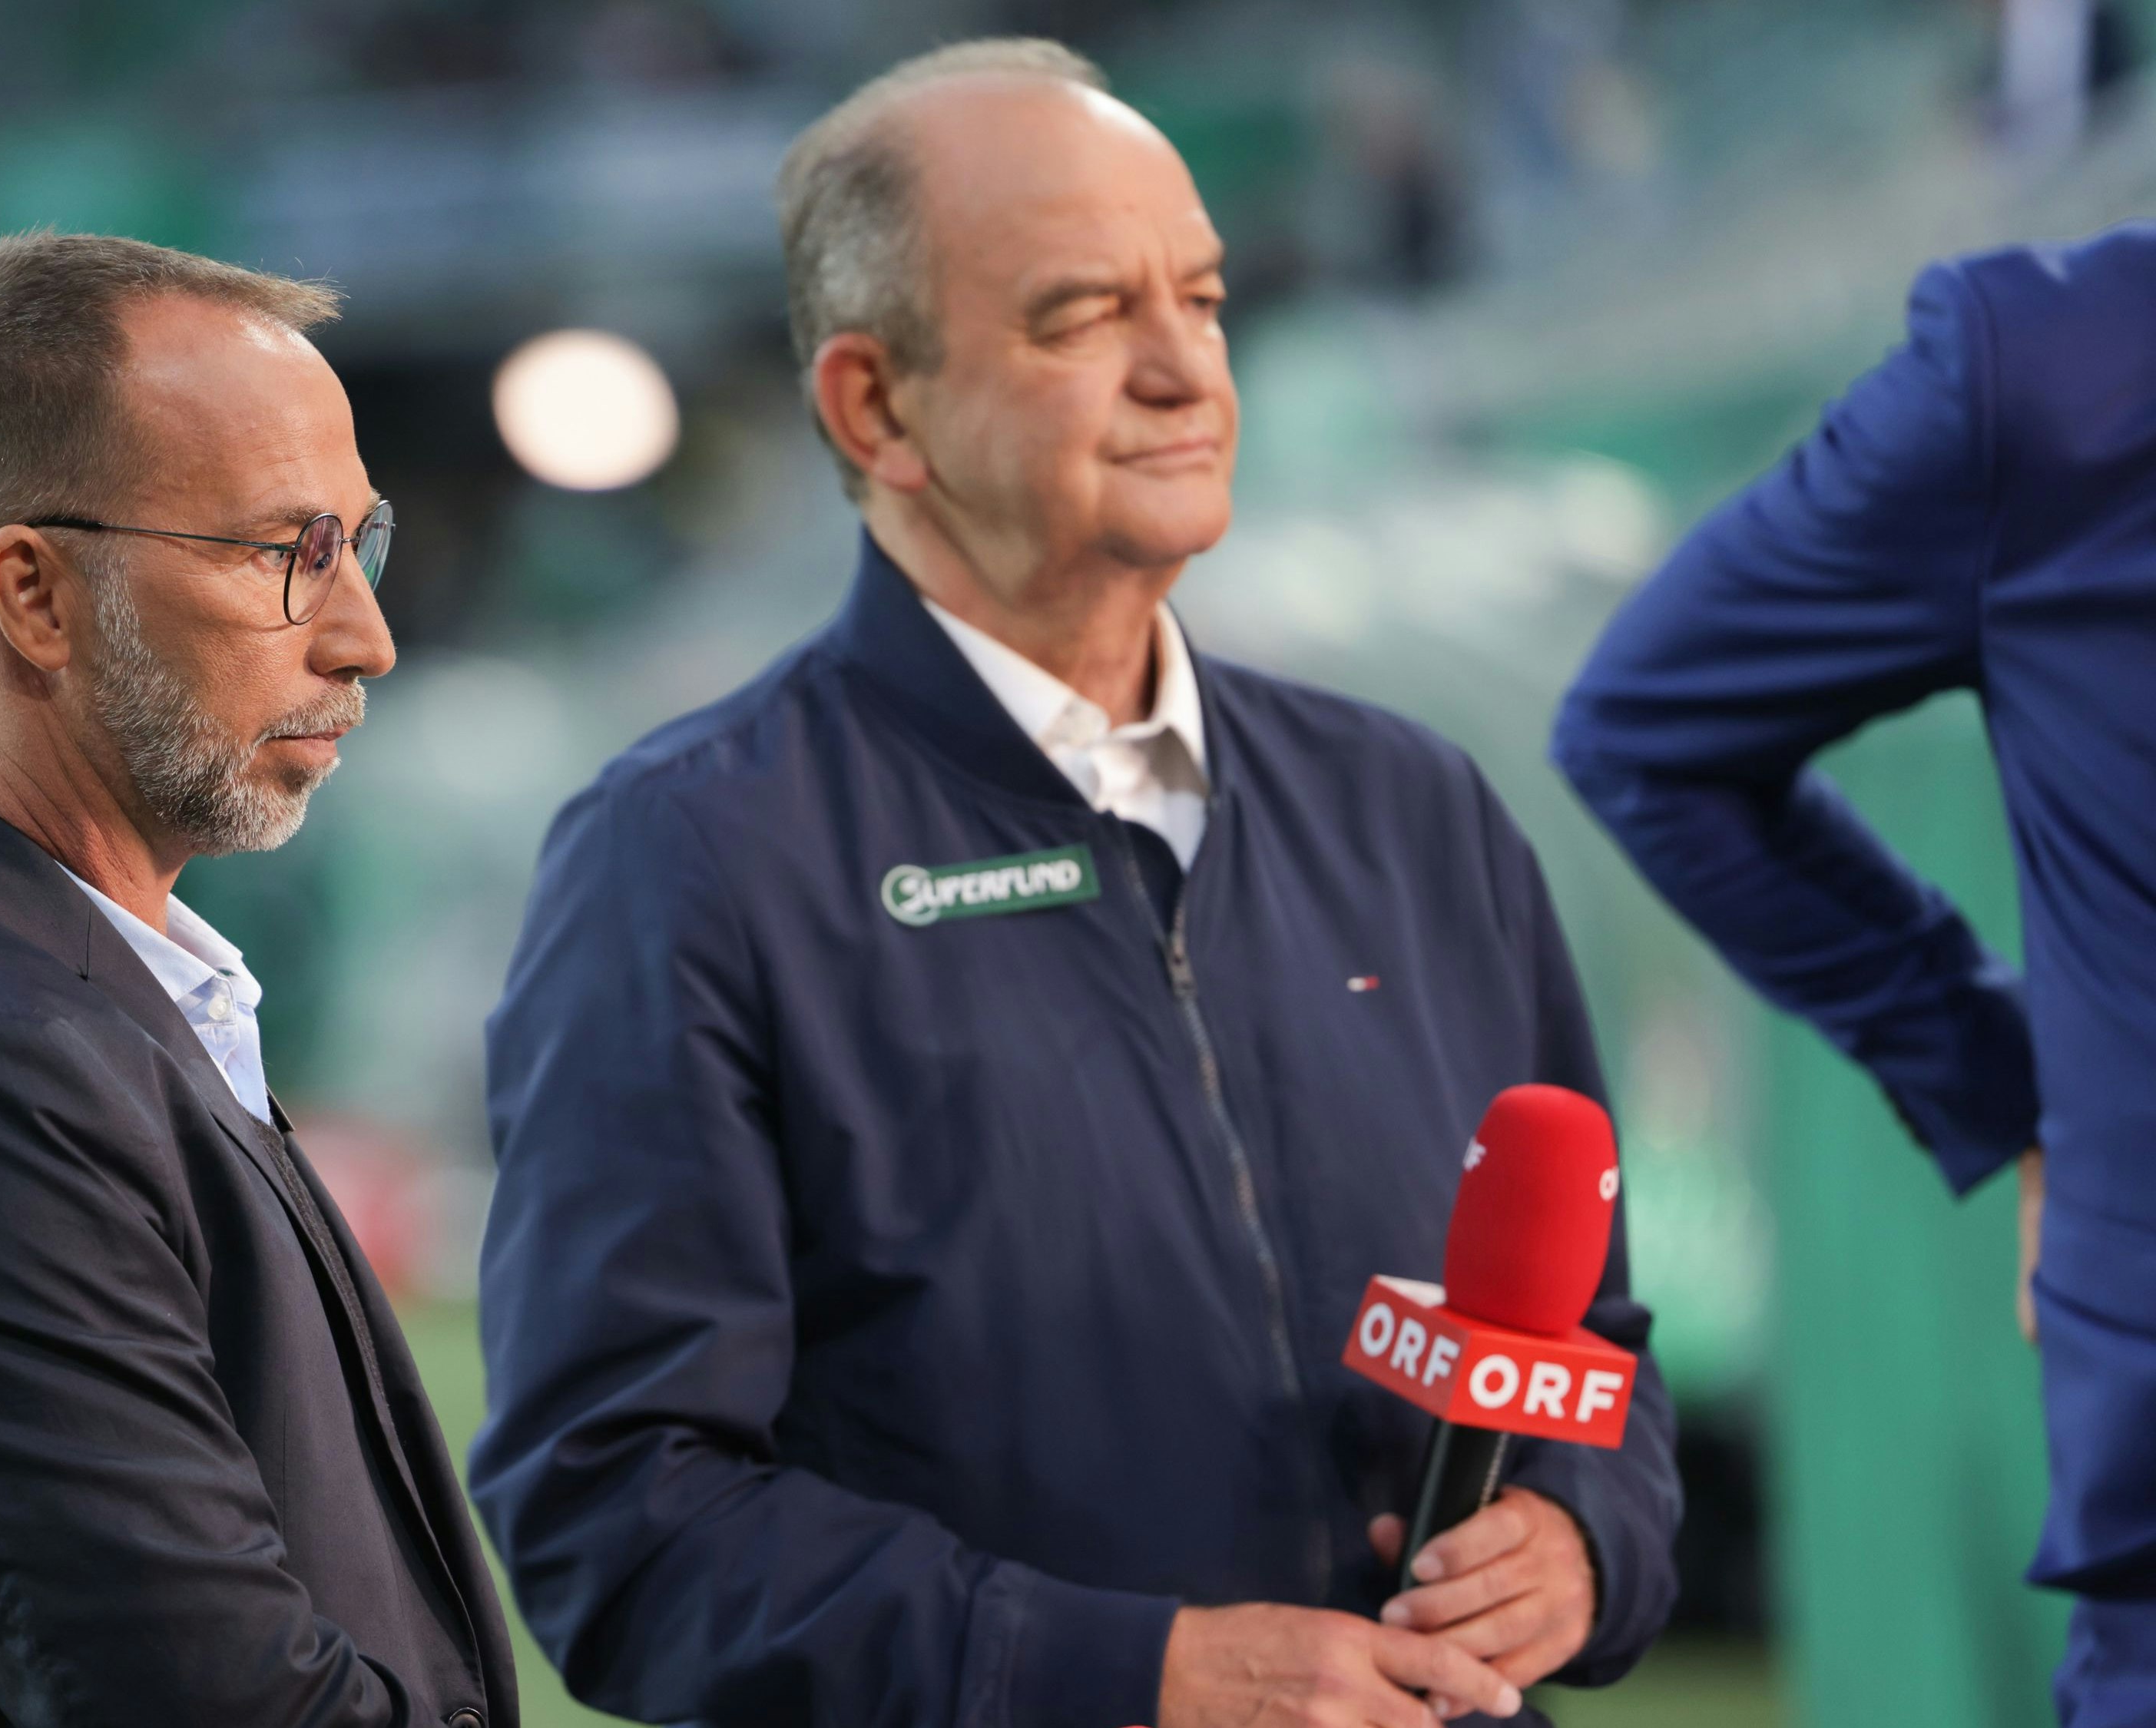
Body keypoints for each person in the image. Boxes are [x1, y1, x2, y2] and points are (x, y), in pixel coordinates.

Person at [471, 38, 1679, 1728]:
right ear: (873, 408)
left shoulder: (1413, 806)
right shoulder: (687, 860)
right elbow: (619, 1523)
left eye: (1201, 297)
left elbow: (1590, 1345)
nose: (1185, 368)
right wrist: (1138, 1676)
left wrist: (1581, 1530)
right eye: (1080, 316)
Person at [0, 233, 514, 1728]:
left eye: (361, 542)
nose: (364, 636)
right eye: (287, 555)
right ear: (34, 596)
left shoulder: (44, 994)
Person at [1553, 223, 2156, 1727]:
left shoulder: (2063, 358)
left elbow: (1646, 732)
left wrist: (2008, 1101)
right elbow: (1648, 735)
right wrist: (2007, 1096)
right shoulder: (2055, 370)